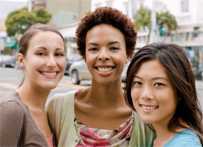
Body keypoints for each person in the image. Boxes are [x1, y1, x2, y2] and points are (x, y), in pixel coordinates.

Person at [47, 7, 154, 147]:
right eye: (94, 49)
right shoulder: (58, 108)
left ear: (127, 54)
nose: (103, 56)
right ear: (84, 55)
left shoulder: (145, 115)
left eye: (114, 48)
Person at [125, 43, 203, 147]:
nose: (145, 95)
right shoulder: (152, 135)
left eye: (158, 84)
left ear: (180, 91)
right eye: (138, 83)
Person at [0, 23, 66, 147]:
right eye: (41, 53)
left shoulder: (51, 114)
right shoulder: (11, 109)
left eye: (58, 54)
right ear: (21, 60)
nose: (52, 63)